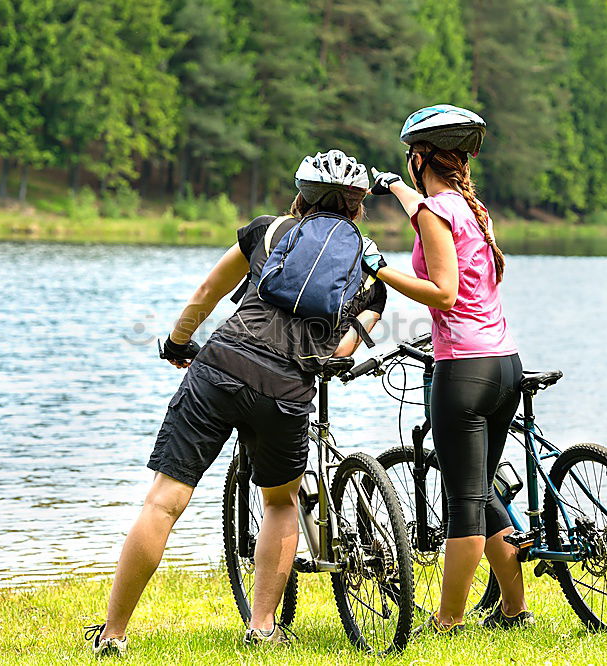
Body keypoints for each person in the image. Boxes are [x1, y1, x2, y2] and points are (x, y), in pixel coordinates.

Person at [86, 149, 388, 656]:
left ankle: (113, 634)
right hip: (288, 390)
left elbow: (207, 291)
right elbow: (342, 349)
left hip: (222, 366)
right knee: (279, 502)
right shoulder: (371, 269)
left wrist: (179, 343)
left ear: (301, 196)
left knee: (164, 500)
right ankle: (264, 626)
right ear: (359, 208)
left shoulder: (268, 231)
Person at [363, 105, 532, 632]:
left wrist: (380, 268)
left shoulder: (436, 213)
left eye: (408, 163)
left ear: (420, 158)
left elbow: (444, 292)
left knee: (464, 504)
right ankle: (513, 611)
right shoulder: (465, 207)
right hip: (505, 366)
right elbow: (425, 211)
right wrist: (393, 186)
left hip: (463, 373)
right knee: (481, 493)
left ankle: (448, 620)